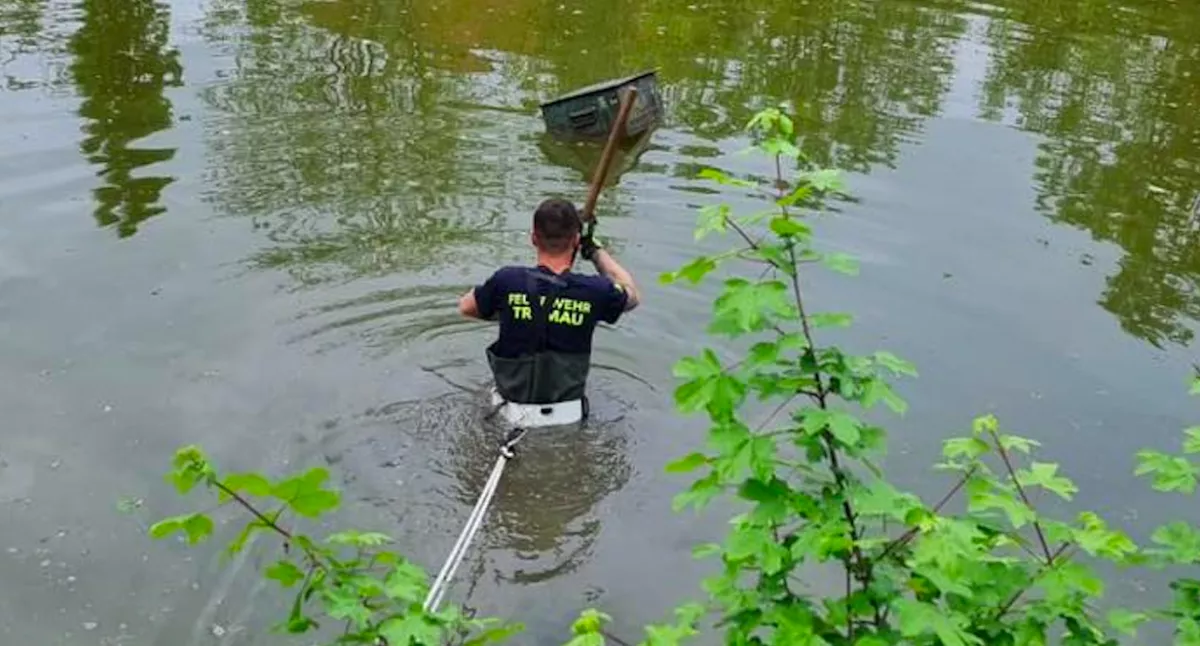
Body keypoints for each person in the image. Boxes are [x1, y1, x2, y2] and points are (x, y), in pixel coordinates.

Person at [457, 197, 639, 408]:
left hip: (507, 412)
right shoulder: (595, 291)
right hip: (568, 418)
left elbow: (466, 307)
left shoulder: (507, 281)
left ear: (534, 238)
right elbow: (632, 295)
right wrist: (594, 251)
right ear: (575, 241)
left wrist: (513, 313)